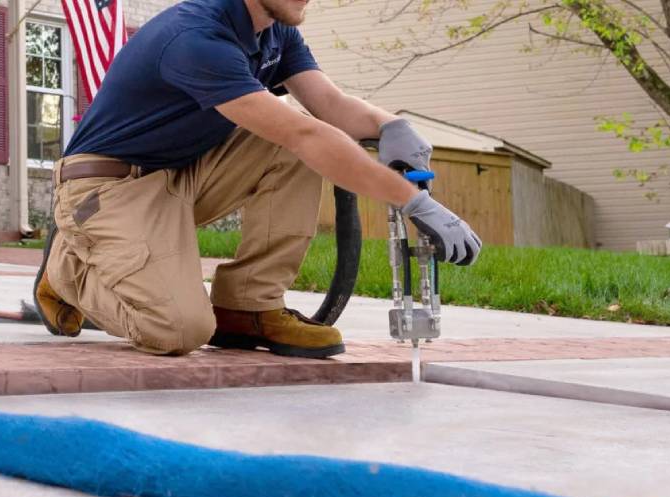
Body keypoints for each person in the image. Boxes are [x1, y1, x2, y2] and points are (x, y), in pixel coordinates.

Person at [33, 0, 481, 358]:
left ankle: (249, 307)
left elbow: (330, 105)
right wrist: (413, 202)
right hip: (107, 189)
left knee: (300, 142)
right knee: (177, 330)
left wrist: (390, 126)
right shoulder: (196, 37)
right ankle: (68, 273)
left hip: (182, 173)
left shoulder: (276, 32)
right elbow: (304, 134)